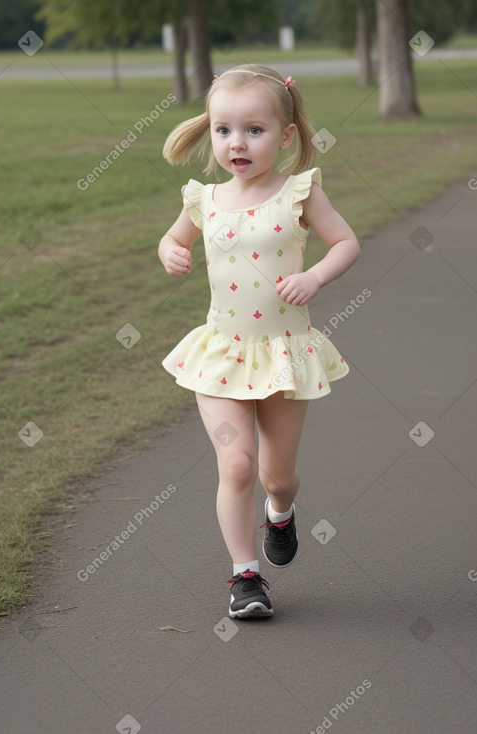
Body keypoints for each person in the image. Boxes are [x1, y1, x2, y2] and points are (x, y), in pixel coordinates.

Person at [158, 64, 360, 619]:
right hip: (221, 354)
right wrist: (170, 251)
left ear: (286, 134)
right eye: (224, 130)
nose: (236, 143)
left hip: (281, 356)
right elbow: (175, 237)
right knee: (238, 465)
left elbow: (345, 241)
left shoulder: (300, 191)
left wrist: (315, 276)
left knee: (277, 475)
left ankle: (280, 511)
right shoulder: (205, 199)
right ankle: (245, 577)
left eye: (254, 130)